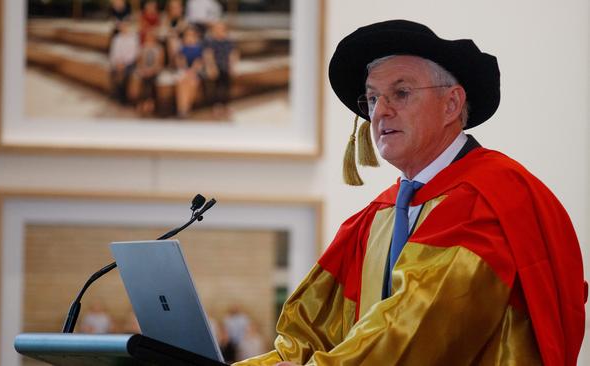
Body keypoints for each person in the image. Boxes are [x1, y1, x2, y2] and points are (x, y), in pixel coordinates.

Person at [234, 20, 586, 365]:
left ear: (451, 104)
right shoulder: (374, 219)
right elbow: (307, 337)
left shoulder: (492, 200)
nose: (380, 111)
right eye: (372, 98)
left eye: (401, 93)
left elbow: (414, 328)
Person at [204, 21, 238, 119]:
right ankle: (216, 105)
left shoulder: (228, 41)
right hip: (215, 66)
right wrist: (211, 67)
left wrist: (232, 66)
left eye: (221, 29)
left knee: (227, 86)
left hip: (226, 66)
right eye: (216, 29)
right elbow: (208, 54)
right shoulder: (210, 41)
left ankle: (226, 104)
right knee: (216, 86)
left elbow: (233, 54)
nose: (219, 31)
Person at [109, 18, 139, 105]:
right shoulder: (116, 39)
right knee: (114, 71)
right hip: (118, 62)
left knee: (125, 73)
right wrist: (117, 62)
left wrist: (124, 63)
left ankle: (122, 97)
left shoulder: (134, 38)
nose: (124, 27)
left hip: (130, 62)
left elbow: (134, 53)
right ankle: (116, 94)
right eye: (122, 26)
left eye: (126, 25)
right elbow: (114, 52)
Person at [135, 31, 164, 116]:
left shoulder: (159, 48)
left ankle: (146, 102)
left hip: (155, 70)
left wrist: (151, 70)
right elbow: (139, 62)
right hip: (144, 70)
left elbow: (160, 63)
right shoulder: (143, 47)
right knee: (144, 80)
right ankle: (148, 102)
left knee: (151, 79)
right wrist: (143, 69)